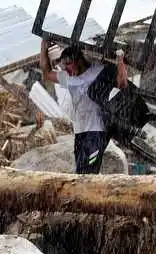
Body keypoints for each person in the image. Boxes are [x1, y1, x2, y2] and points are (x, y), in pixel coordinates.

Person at [39, 38, 128, 174]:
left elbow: (122, 84)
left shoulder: (98, 71)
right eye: (64, 66)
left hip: (96, 132)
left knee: (89, 171)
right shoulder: (69, 78)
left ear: (79, 60)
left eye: (68, 64)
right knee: (80, 172)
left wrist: (120, 61)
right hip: (80, 133)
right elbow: (46, 73)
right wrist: (43, 46)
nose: (66, 69)